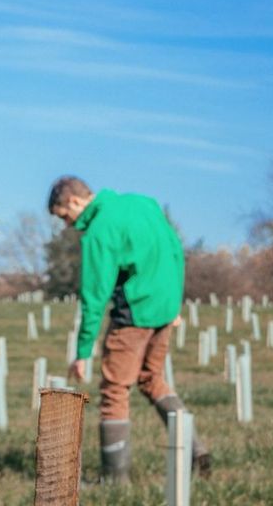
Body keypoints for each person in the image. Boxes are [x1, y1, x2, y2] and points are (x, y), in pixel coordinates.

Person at [47, 175, 211, 483]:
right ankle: (196, 448)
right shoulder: (143, 203)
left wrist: (82, 352)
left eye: (65, 217)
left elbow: (94, 295)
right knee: (152, 380)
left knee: (114, 390)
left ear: (74, 201)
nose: (67, 225)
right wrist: (174, 305)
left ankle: (114, 480)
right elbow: (176, 250)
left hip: (134, 310)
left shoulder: (99, 230)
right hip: (164, 309)